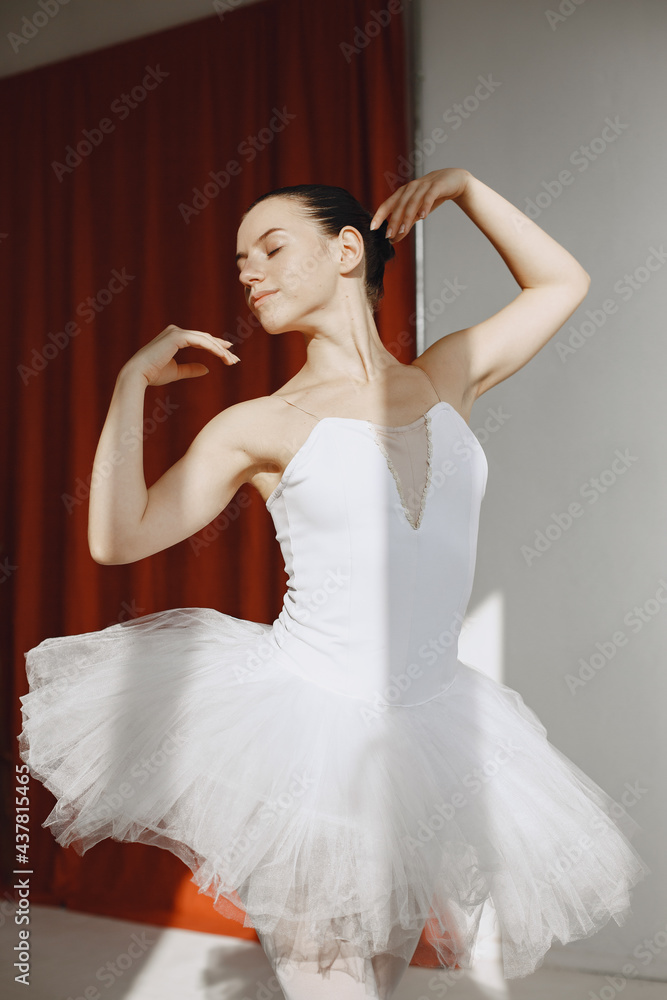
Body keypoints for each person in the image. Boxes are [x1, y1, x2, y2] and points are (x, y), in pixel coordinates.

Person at [18, 170, 650, 999]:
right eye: (240, 259)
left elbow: (562, 282)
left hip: (431, 731)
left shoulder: (448, 374)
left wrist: (465, 188)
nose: (249, 272)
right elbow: (116, 537)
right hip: (306, 736)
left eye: (271, 248)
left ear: (347, 249)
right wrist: (130, 384)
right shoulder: (260, 424)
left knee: (372, 984)